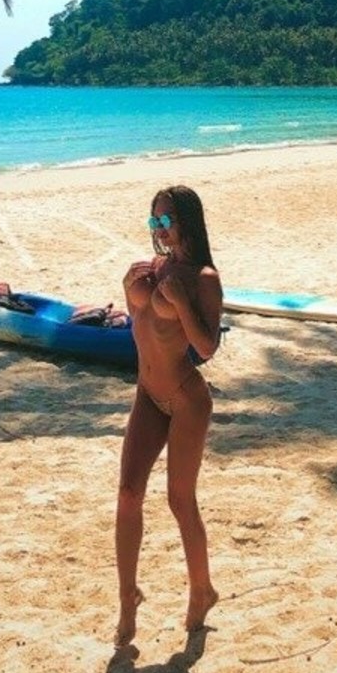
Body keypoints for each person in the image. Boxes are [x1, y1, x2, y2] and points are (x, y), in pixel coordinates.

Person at [115, 184, 224, 648]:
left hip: (185, 399)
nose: (160, 230)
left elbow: (207, 347)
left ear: (187, 222)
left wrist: (180, 304)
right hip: (148, 394)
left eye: (167, 221)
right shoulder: (154, 268)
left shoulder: (203, 278)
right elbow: (140, 328)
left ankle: (202, 590)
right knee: (127, 495)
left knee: (180, 500)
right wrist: (128, 290)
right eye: (154, 221)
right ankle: (128, 597)